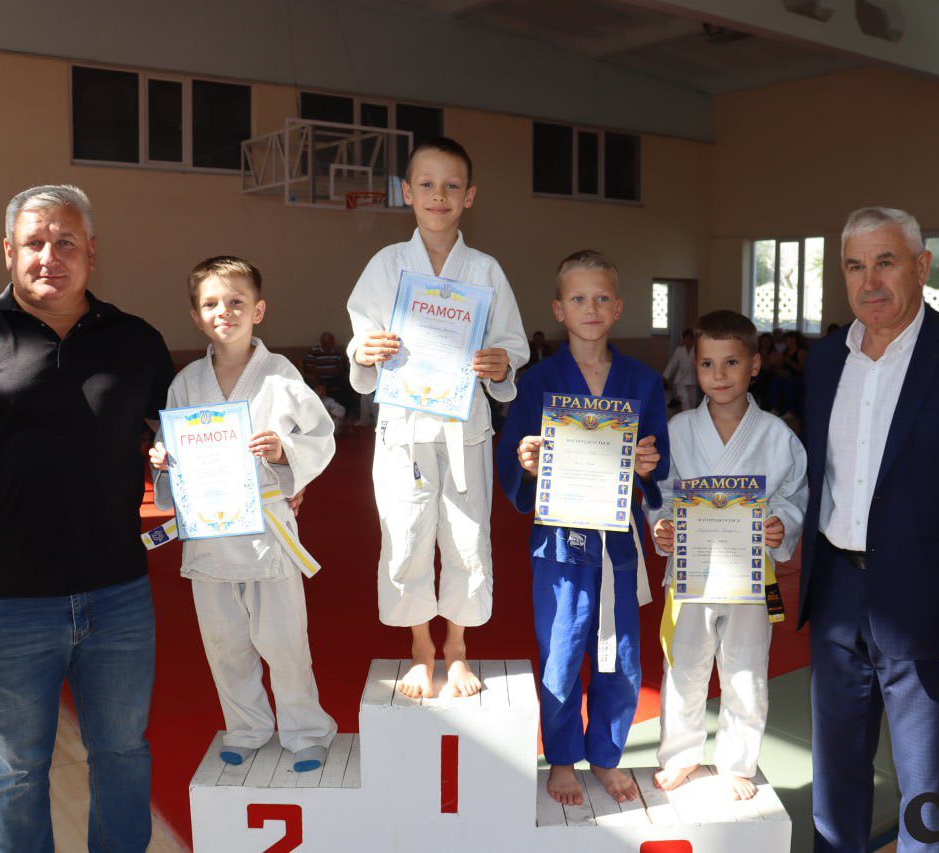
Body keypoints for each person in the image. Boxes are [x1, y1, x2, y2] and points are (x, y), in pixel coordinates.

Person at [0, 185, 175, 851]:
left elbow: (189, 437)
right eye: (35, 242)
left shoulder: (137, 341)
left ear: (92, 252)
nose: (50, 255)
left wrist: (266, 483)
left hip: (119, 596)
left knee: (124, 754)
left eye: (66, 241)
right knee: (15, 773)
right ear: (8, 252)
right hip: (3, 606)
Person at [799, 207, 939, 852]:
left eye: (886, 262)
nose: (869, 281)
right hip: (837, 597)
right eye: (855, 266)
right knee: (834, 781)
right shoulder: (826, 360)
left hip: (932, 609)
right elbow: (819, 477)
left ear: (922, 267)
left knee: (927, 792)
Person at [346, 137, 528, 699]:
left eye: (452, 186)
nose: (439, 195)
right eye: (426, 184)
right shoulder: (386, 265)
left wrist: (500, 363)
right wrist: (365, 350)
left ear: (469, 196)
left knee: (468, 540)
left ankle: (458, 648)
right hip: (403, 430)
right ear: (407, 192)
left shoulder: (486, 270)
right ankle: (421, 648)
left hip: (464, 428)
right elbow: (362, 335)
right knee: (405, 538)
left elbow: (512, 344)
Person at [149, 255, 337, 771]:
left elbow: (321, 436)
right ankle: (246, 727)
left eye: (236, 301)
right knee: (225, 643)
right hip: (209, 534)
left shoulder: (280, 375)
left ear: (258, 310)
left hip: (266, 533)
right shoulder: (186, 382)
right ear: (195, 316)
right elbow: (171, 447)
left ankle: (306, 730)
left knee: (284, 640)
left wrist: (285, 452)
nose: (224, 311)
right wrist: (163, 459)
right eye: (211, 303)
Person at [497, 250, 666, 807]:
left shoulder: (644, 380)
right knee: (563, 651)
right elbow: (513, 455)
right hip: (559, 544)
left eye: (601, 298)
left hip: (617, 543)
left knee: (621, 655)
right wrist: (526, 463)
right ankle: (563, 758)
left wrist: (649, 466)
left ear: (617, 308)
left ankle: (608, 757)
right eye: (577, 299)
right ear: (558, 309)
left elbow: (658, 458)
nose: (590, 308)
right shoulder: (536, 381)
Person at [648, 310, 807, 800]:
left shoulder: (777, 435)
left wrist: (782, 524)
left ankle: (737, 762)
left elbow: (794, 494)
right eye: (707, 364)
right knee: (683, 665)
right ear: (694, 366)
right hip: (690, 573)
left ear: (754, 365)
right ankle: (680, 756)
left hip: (751, 577)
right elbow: (662, 494)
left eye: (731, 362)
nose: (718, 375)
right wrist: (662, 527)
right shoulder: (679, 430)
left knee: (746, 668)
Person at [662, 328, 699, 410]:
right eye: (685, 339)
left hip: (692, 380)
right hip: (680, 380)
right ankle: (687, 416)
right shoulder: (679, 350)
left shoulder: (697, 351)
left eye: (689, 339)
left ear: (693, 339)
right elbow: (672, 363)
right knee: (685, 399)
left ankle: (691, 415)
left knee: (692, 402)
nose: (687, 341)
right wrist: (665, 376)